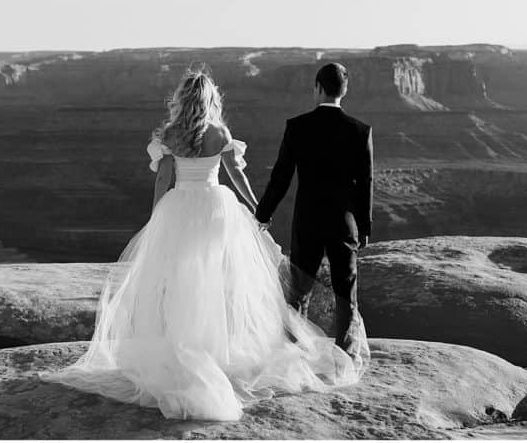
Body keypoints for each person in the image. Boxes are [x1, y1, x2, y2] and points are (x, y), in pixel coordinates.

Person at [39, 69, 364, 421]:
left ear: (183, 99)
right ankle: (215, 352)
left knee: (180, 284)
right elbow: (235, 174)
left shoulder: (170, 135)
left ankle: (185, 352)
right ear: (211, 100)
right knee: (217, 283)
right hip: (215, 211)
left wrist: (156, 218)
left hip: (180, 209)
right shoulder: (219, 133)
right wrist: (257, 209)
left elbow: (164, 178)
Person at [255, 62, 373, 358]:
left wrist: (263, 214)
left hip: (307, 220)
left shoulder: (297, 127)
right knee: (346, 291)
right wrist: (365, 226)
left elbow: (280, 177)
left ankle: (292, 357)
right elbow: (365, 183)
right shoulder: (360, 131)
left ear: (318, 88)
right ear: (344, 90)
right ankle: (345, 356)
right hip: (344, 222)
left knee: (298, 293)